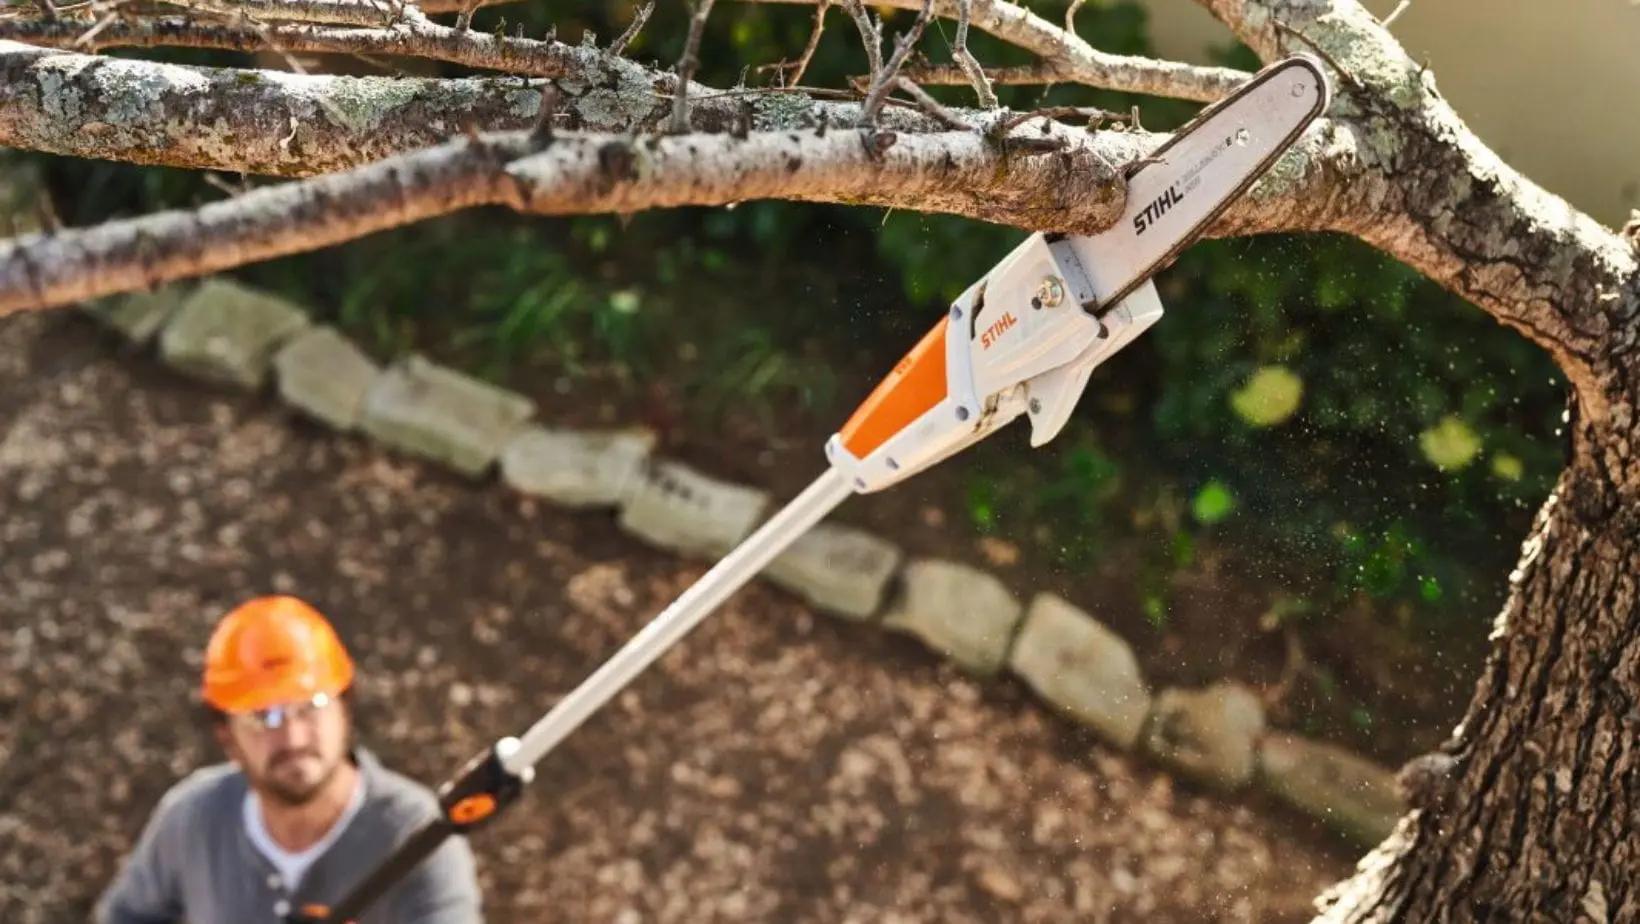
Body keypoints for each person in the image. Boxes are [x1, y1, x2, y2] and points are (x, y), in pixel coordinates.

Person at [95, 595, 485, 924]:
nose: (293, 737)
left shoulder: (419, 837)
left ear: (344, 709)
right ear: (226, 735)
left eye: (311, 706)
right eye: (263, 717)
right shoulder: (192, 820)